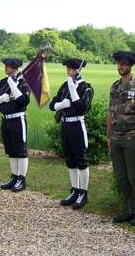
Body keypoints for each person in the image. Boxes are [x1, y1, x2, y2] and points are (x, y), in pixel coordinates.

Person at [107, 51, 135, 226]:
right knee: (121, 176)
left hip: (132, 137)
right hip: (116, 137)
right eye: (119, 64)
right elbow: (110, 113)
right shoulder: (115, 87)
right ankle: (127, 210)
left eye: (124, 64)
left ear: (130, 66)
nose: (121, 67)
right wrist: (108, 136)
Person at [49, 58, 93, 209]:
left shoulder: (85, 87)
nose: (68, 71)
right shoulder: (64, 85)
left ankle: (83, 193)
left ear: (78, 70)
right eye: (67, 68)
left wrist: (73, 90)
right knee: (70, 159)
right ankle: (74, 190)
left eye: (71, 69)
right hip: (66, 124)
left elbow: (82, 107)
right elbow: (52, 105)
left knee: (81, 159)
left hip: (77, 125)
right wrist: (61, 104)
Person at [0, 58, 30, 192]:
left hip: (18, 120)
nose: (6, 68)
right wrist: (1, 98)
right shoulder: (3, 83)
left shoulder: (23, 83)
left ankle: (21, 179)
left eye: (9, 66)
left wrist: (13, 85)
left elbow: (24, 101)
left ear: (15, 68)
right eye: (6, 66)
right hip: (6, 120)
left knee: (20, 151)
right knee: (11, 151)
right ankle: (14, 177)